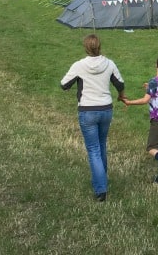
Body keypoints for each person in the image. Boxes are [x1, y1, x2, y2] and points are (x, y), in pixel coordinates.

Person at [60, 34, 126, 202]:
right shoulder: (109, 64)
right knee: (101, 145)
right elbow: (120, 83)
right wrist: (121, 95)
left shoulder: (79, 66)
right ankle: (101, 180)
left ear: (86, 48)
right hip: (105, 110)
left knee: (94, 150)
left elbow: (64, 84)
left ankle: (101, 189)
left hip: (87, 111)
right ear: (99, 46)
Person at [122, 53, 158, 185]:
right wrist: (150, 88)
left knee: (151, 147)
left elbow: (145, 100)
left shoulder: (154, 81)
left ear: (156, 65)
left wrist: (129, 102)